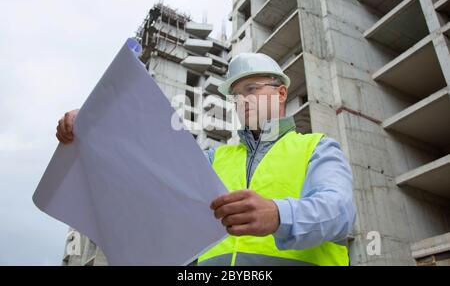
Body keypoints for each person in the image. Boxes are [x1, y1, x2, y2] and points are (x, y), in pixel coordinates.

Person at [56, 52, 356, 266]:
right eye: (236, 95)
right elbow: (152, 170)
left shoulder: (317, 148)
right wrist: (95, 127)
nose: (242, 101)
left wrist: (278, 215)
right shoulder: (215, 158)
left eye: (251, 89)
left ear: (280, 93)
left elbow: (339, 212)